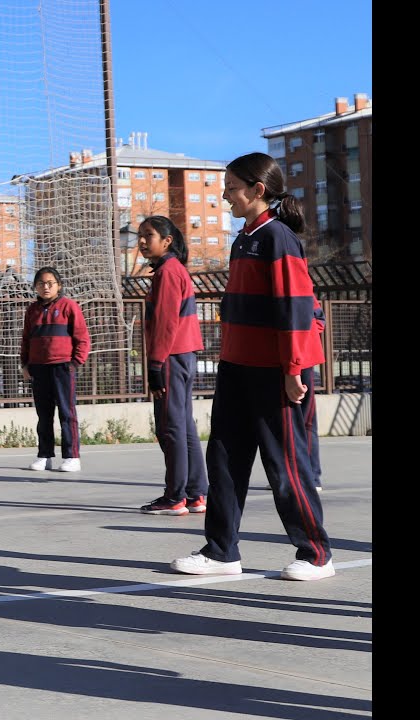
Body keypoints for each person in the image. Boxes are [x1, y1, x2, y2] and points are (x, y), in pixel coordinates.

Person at [170, 152, 334, 581]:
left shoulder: (278, 237)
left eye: (231, 187)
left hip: (273, 371)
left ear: (257, 190)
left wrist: (293, 368)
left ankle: (317, 554)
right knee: (224, 458)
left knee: (285, 465)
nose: (224, 195)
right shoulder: (244, 238)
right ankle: (221, 551)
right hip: (236, 366)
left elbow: (295, 306)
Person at [136, 216, 208, 516]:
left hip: (171, 356)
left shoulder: (167, 272)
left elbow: (166, 323)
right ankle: (195, 493)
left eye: (148, 235)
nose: (142, 241)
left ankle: (175, 496)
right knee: (183, 425)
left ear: (166, 241)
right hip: (183, 355)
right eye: (140, 235)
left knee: (170, 426)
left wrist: (155, 365)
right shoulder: (173, 269)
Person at [20, 267, 90, 473]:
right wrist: (25, 364)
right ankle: (45, 455)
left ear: (59, 286)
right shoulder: (32, 310)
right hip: (38, 368)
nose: (46, 287)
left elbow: (82, 338)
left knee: (67, 412)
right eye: (41, 283)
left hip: (63, 367)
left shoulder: (69, 306)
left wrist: (74, 363)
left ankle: (72, 457)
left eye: (50, 283)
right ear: (35, 287)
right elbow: (26, 340)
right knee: (43, 414)